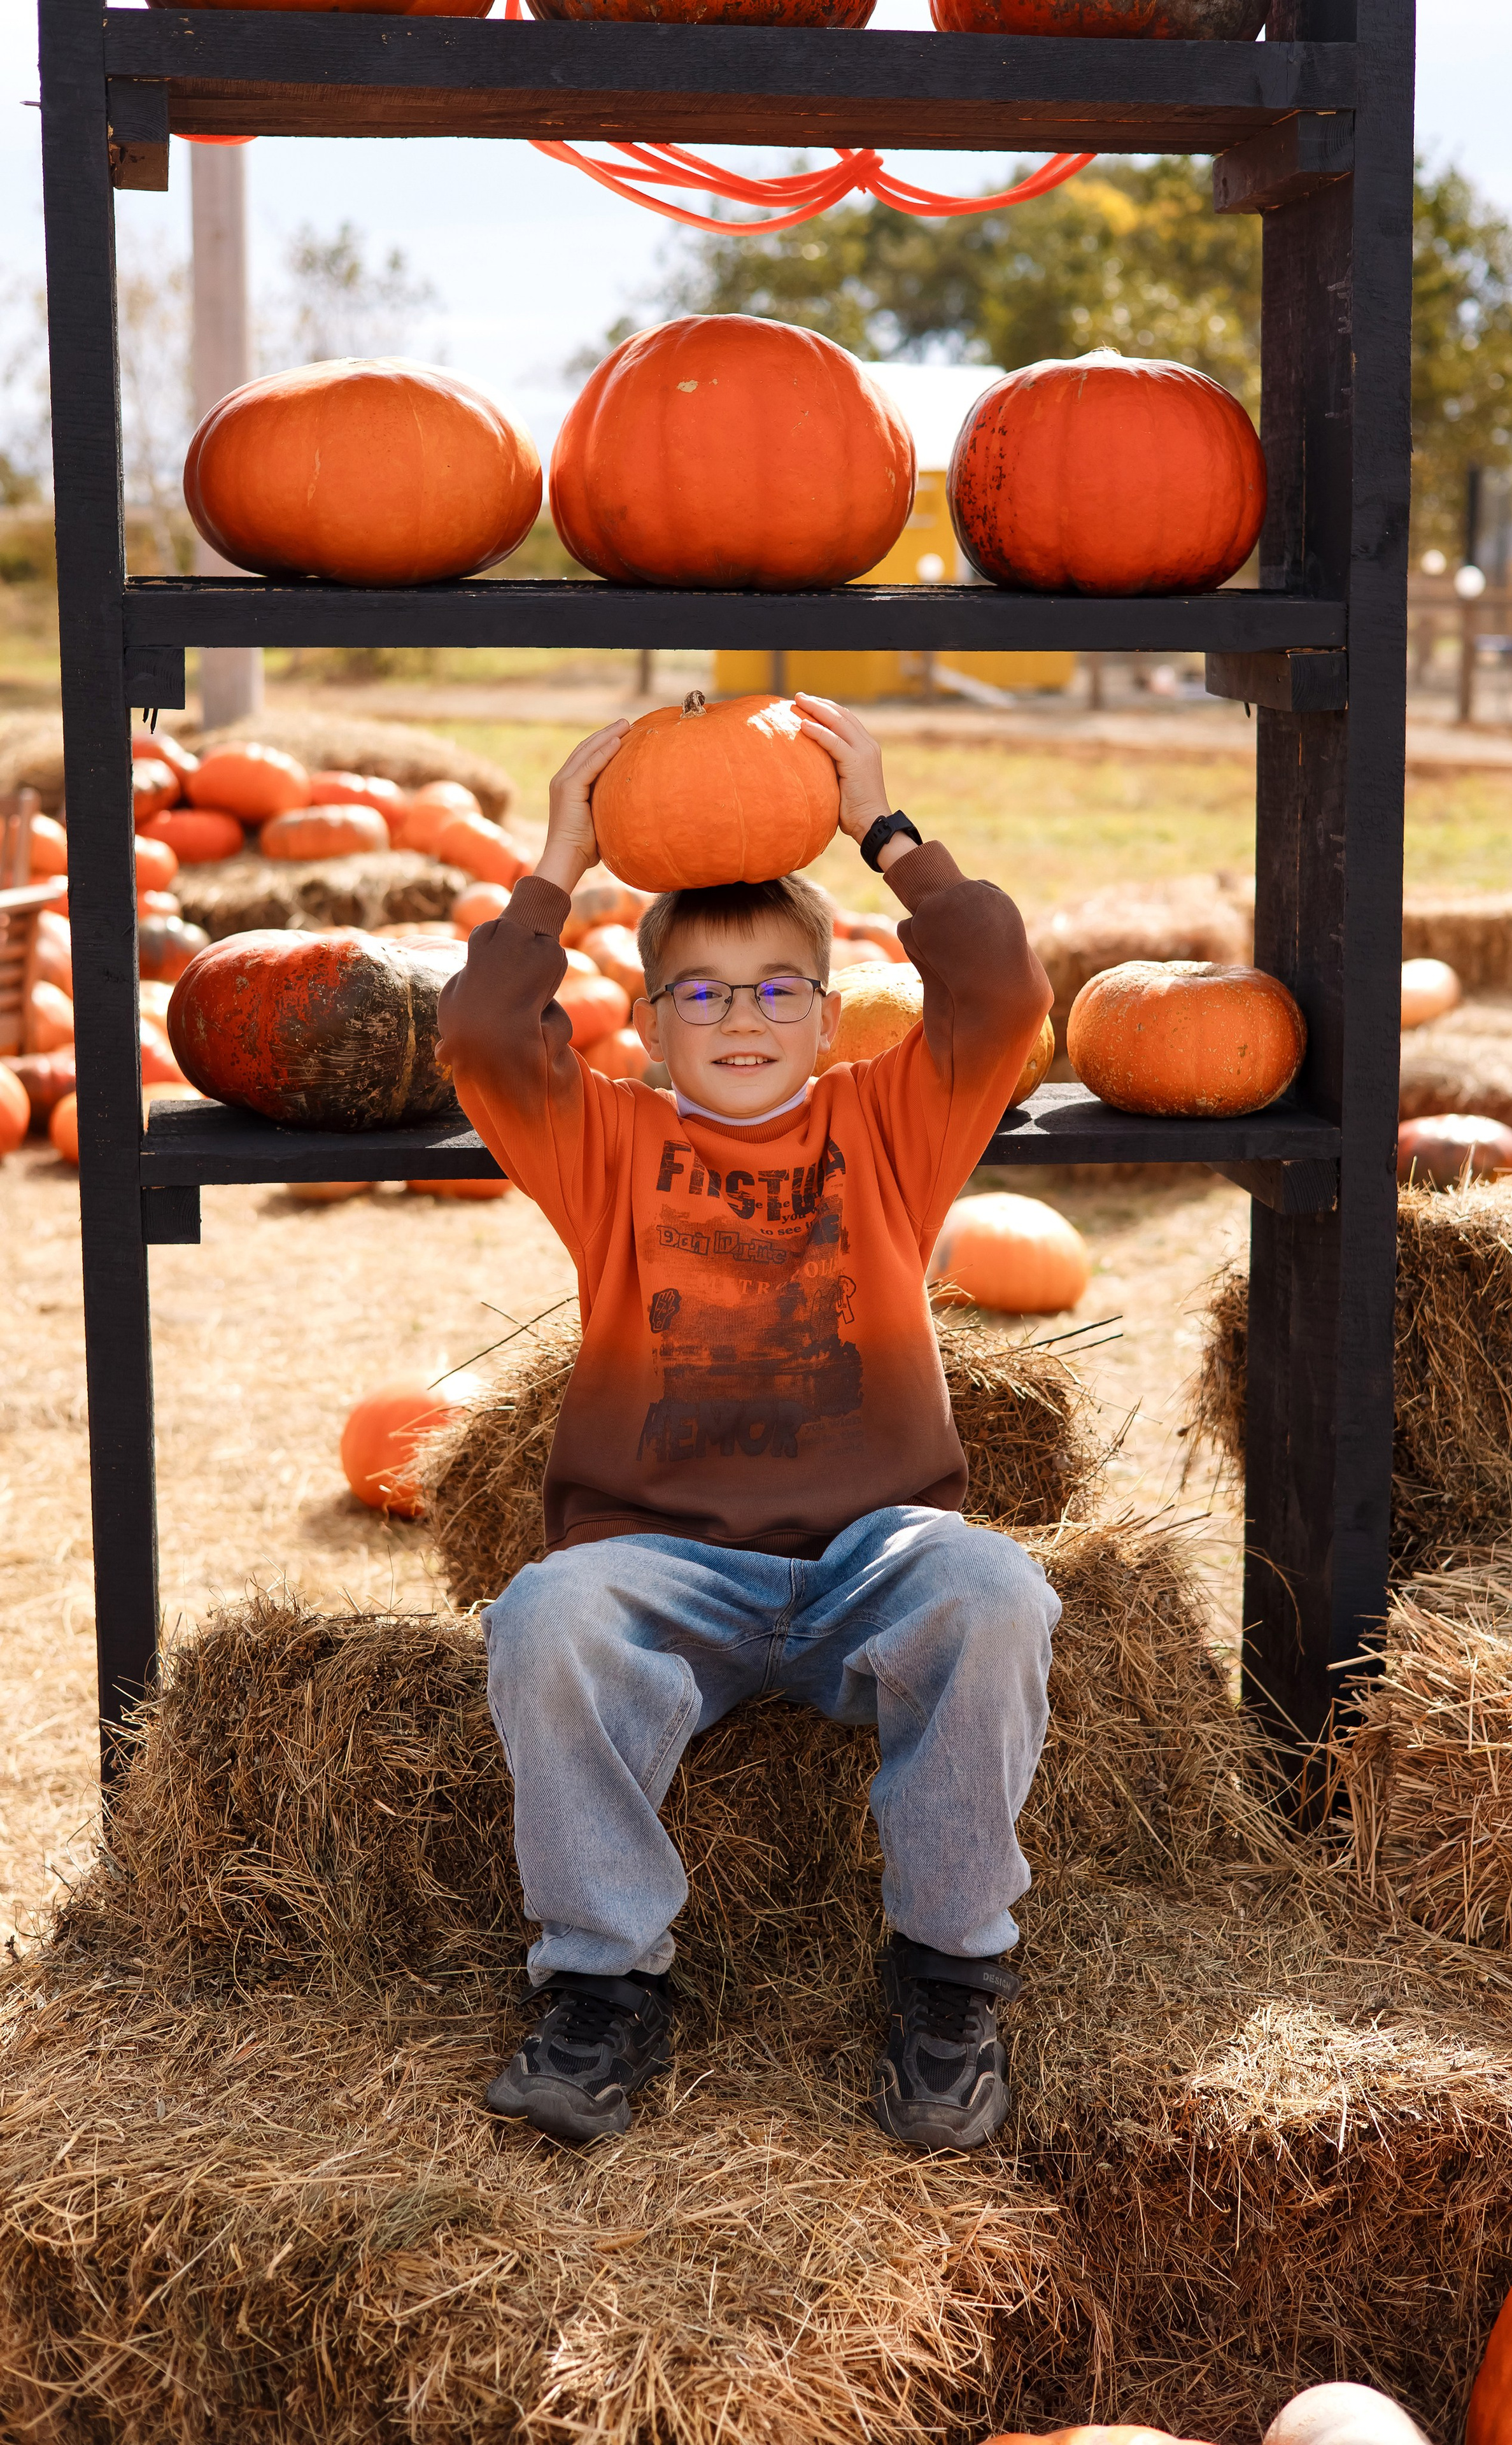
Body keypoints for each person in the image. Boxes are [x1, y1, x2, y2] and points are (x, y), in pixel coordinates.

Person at [435, 692, 1060, 2153]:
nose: (740, 1018)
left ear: (829, 1015)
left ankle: (948, 1974)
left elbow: (1007, 998)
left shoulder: (889, 1126)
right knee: (543, 1616)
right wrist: (560, 859)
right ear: (642, 1024)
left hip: (871, 1559)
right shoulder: (605, 1145)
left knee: (996, 1589)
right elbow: (477, 1027)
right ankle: (602, 1990)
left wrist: (882, 833)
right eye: (701, 994)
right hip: (664, 1566)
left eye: (778, 987)